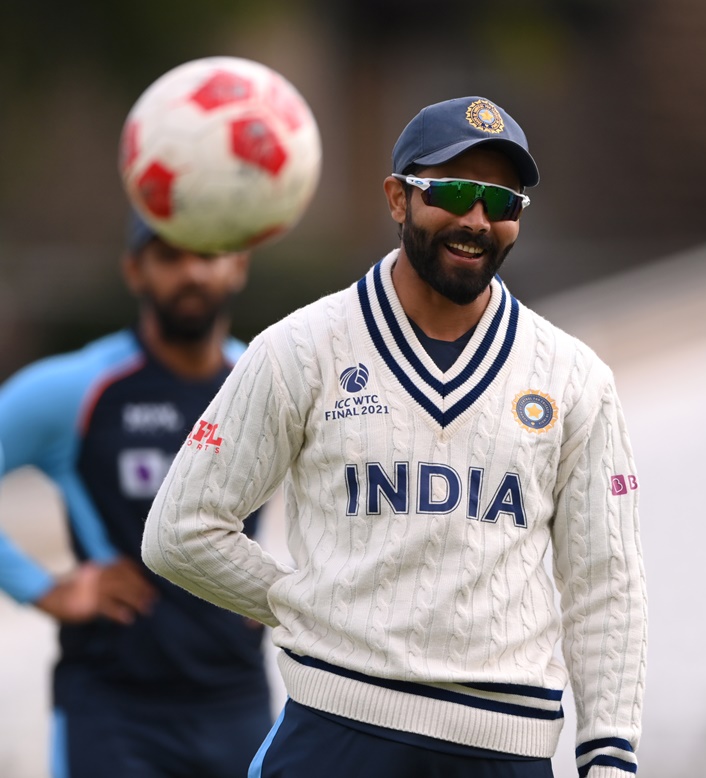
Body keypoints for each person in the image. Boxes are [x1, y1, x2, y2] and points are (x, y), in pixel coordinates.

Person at [143, 95, 647, 778]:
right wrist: (309, 606)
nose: (476, 220)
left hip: (507, 752)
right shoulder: (301, 348)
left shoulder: (574, 377)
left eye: (501, 203)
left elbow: (604, 582)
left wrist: (610, 754)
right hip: (337, 734)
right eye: (453, 192)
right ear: (397, 198)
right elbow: (180, 529)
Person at [0, 214, 272, 777]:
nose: (192, 272)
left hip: (238, 706)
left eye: (209, 251)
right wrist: (41, 589)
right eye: (170, 256)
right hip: (113, 712)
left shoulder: (267, 382)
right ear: (136, 270)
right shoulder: (80, 388)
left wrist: (292, 581)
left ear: (239, 264)